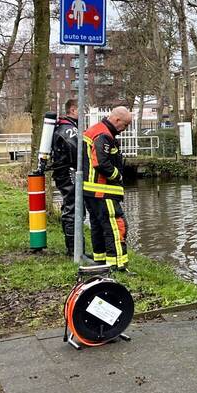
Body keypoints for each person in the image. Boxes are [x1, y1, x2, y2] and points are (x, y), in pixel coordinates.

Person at [82, 106, 133, 269]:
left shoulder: (95, 130)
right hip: (104, 191)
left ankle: (101, 261)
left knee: (98, 226)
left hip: (91, 191)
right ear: (117, 120)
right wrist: (118, 176)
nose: (124, 130)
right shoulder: (104, 134)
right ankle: (118, 265)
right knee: (117, 226)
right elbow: (101, 163)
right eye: (124, 125)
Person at [49, 99, 81, 257]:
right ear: (73, 110)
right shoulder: (68, 129)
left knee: (73, 206)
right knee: (73, 207)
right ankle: (74, 250)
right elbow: (78, 152)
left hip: (64, 172)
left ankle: (75, 248)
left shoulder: (63, 126)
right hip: (68, 173)